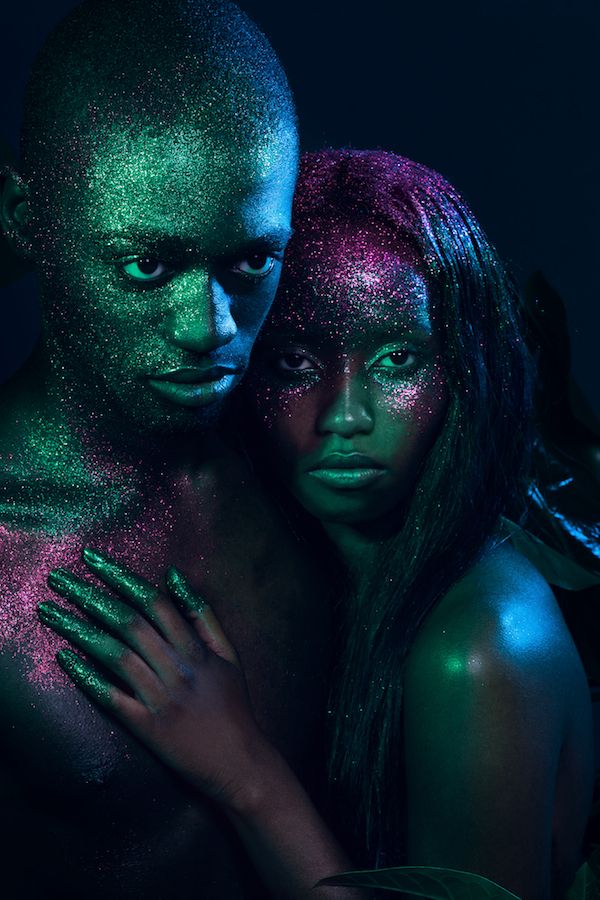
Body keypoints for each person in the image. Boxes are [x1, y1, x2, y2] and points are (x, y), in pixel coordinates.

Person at [41, 150, 595, 899]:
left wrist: (244, 770)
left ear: (467, 364)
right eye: (295, 362)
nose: (344, 417)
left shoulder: (479, 648)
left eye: (398, 359)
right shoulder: (311, 564)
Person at [0, 2, 334, 897]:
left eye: (251, 263)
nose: (209, 330)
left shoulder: (317, 459)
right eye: (148, 265)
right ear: (23, 218)